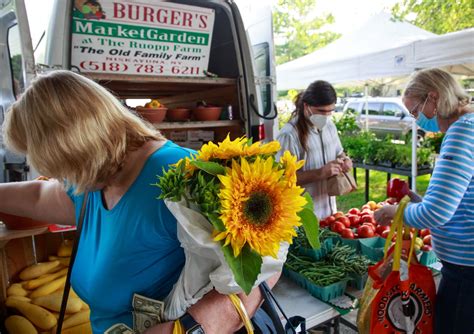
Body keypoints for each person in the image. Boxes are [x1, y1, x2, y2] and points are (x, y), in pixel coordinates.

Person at [0, 70, 278, 334]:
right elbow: (39, 195)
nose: (60, 177)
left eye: (59, 165)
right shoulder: (93, 178)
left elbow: (264, 267)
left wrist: (194, 328)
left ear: (78, 145)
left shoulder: (180, 174)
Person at [374, 68, 473, 334]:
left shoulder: (461, 133)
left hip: (466, 269)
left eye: (415, 111)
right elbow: (461, 198)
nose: (416, 119)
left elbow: (438, 213)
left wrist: (395, 212)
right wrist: (419, 202)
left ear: (434, 97)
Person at [276, 80, 352, 219]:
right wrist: (320, 173)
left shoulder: (330, 126)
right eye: (321, 111)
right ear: (306, 106)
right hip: (303, 218)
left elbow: (339, 152)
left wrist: (345, 160)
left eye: (330, 111)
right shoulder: (289, 135)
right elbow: (280, 179)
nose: (325, 116)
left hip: (329, 214)